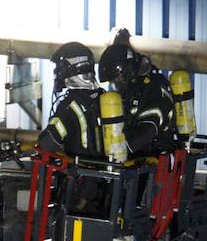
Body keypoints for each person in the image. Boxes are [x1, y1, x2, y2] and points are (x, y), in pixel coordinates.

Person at [97, 28, 179, 157]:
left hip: (155, 158)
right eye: (112, 81)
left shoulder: (153, 89)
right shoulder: (128, 91)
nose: (115, 84)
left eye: (117, 79)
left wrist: (122, 151)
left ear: (129, 72)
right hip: (135, 159)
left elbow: (148, 129)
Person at [37, 41, 104, 159]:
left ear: (70, 69)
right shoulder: (105, 98)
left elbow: (48, 144)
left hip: (82, 173)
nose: (57, 73)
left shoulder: (68, 106)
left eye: (60, 67)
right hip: (109, 172)